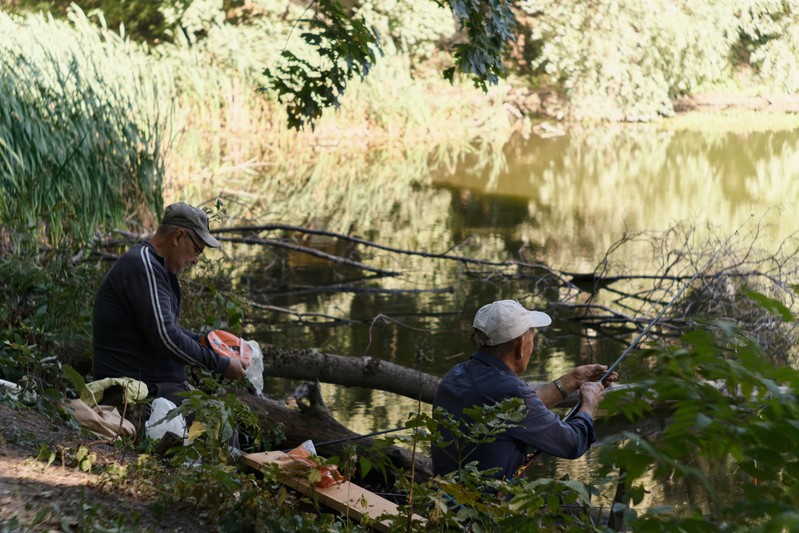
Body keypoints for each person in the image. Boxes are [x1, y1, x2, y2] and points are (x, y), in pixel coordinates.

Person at [431, 299, 617, 480]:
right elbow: (573, 443)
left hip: (446, 499)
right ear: (520, 345)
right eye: (532, 339)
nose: (532, 347)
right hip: (486, 507)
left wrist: (572, 380)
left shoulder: (455, 374)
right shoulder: (511, 391)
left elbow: (515, 409)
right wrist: (589, 402)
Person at [92, 202, 248, 409]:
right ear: (178, 237)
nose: (195, 261)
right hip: (134, 387)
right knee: (218, 422)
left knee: (227, 423)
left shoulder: (158, 268)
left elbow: (166, 329)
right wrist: (221, 365)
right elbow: (166, 337)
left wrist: (208, 342)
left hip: (154, 383)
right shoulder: (143, 266)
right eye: (196, 250)